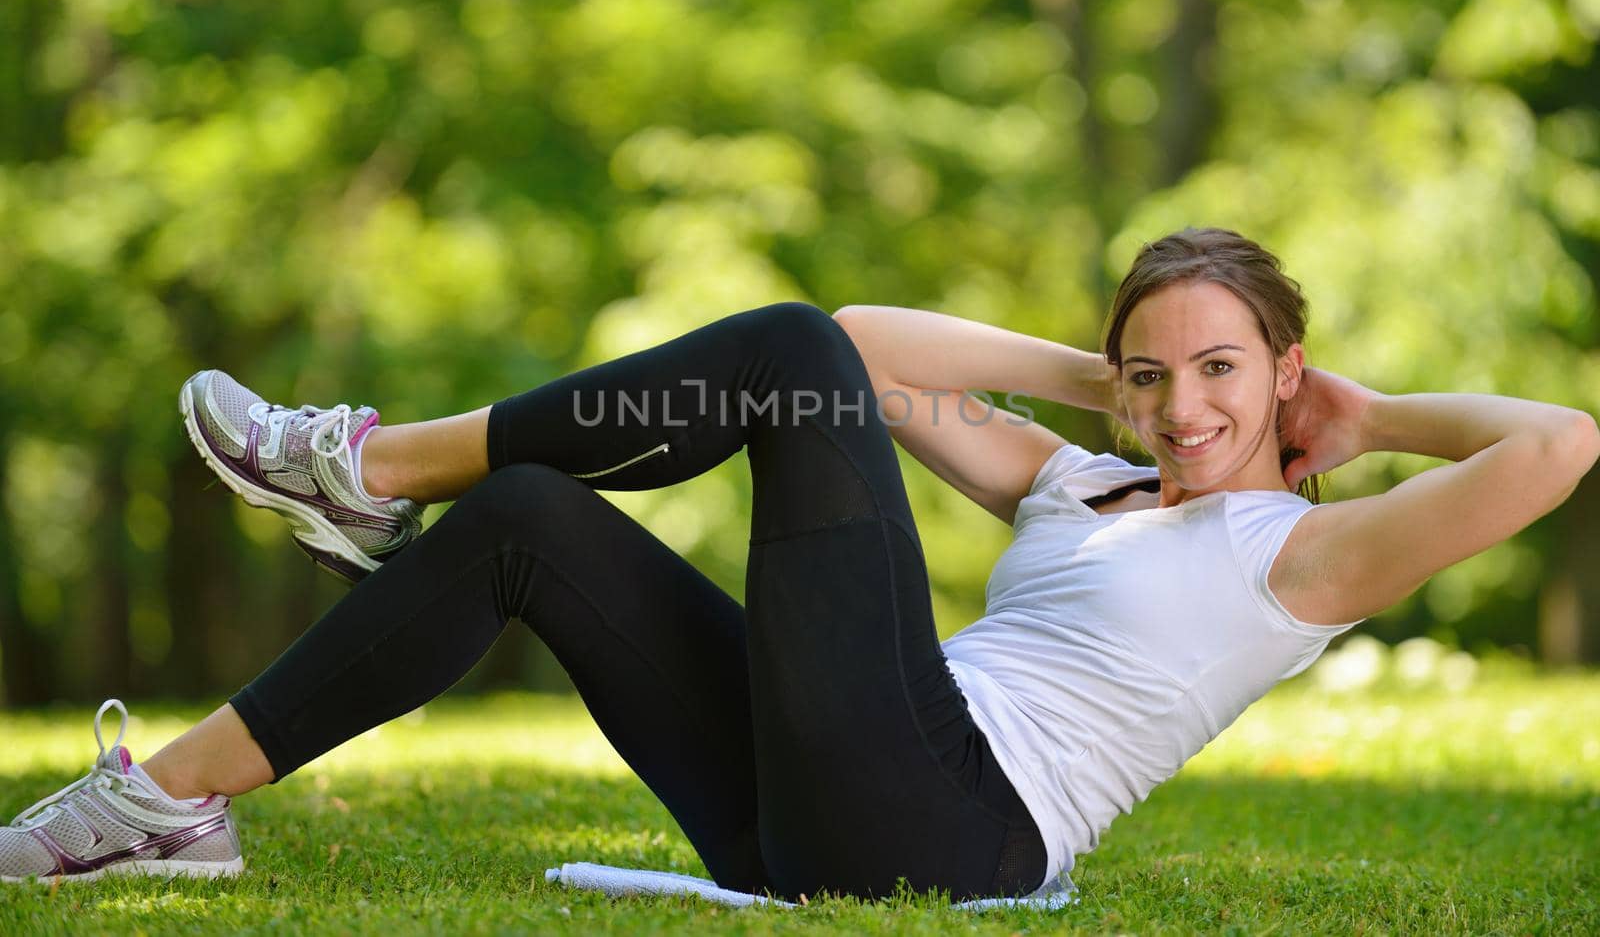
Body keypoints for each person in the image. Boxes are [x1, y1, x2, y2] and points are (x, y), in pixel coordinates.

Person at [4, 227, 1595, 897]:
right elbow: (865, 351)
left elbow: (1560, 446)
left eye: (1227, 373)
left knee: (769, 349)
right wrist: (1088, 370)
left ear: (1287, 372)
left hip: (953, 817)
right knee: (531, 524)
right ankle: (168, 807)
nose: (1186, 409)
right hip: (813, 802)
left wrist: (1370, 413)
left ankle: (369, 466)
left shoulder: (1303, 557)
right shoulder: (1078, 475)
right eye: (1156, 374)